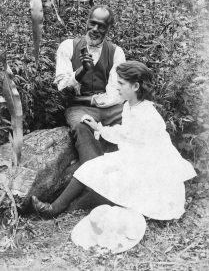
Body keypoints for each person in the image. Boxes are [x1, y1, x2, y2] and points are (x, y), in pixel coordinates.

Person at [32, 61, 196, 220]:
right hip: (135, 158)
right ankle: (54, 209)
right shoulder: (129, 105)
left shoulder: (147, 114)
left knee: (102, 184)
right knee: (90, 168)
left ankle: (64, 207)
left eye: (121, 83)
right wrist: (99, 128)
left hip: (149, 169)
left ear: (136, 87)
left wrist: (119, 165)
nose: (117, 87)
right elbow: (125, 133)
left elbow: (152, 153)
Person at [54, 5, 126, 165]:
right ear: (86, 21)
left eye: (101, 26)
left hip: (111, 109)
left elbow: (116, 94)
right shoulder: (67, 46)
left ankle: (125, 169)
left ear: (109, 28)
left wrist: (92, 100)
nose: (94, 29)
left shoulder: (116, 52)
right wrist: (82, 70)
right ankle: (92, 173)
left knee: (131, 120)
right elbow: (62, 87)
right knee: (82, 126)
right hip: (80, 109)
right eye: (92, 23)